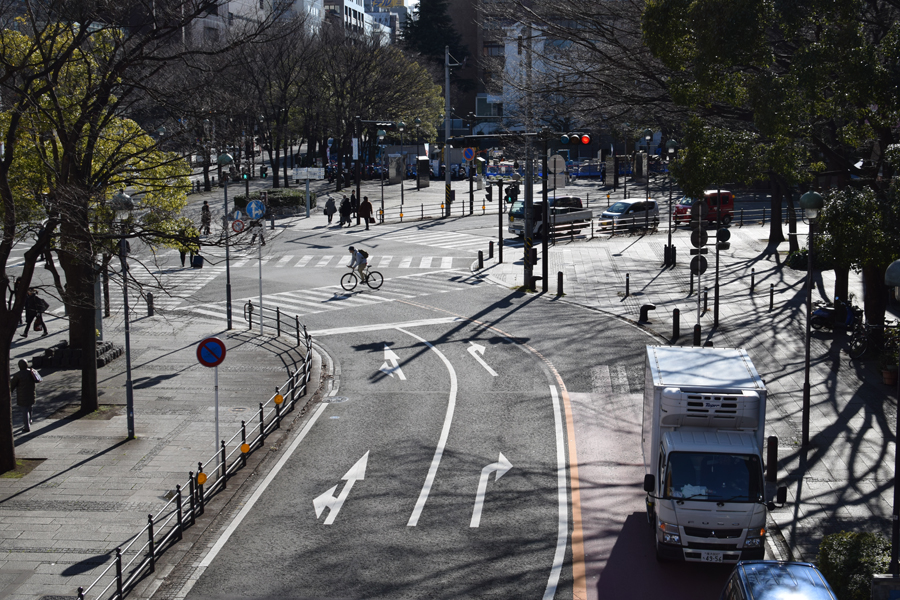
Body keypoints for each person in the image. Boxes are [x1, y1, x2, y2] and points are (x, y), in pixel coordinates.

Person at [10, 359, 36, 432]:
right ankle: (30, 420)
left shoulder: (17, 375)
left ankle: (27, 426)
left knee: (25, 411)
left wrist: (10, 391)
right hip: (31, 393)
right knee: (30, 407)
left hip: (22, 395)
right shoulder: (31, 372)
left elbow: (13, 385)